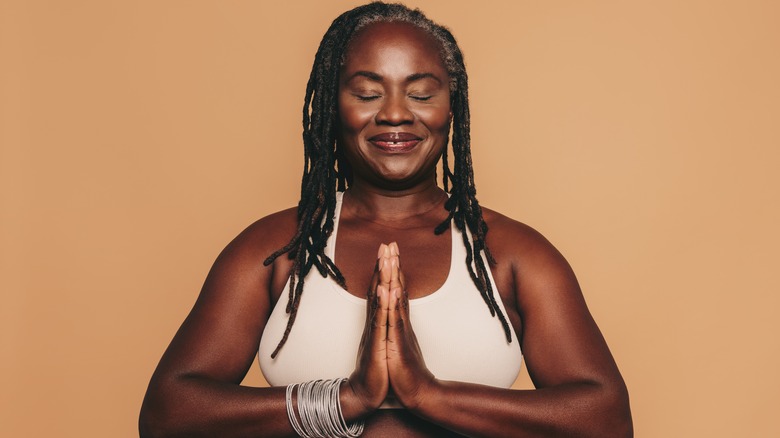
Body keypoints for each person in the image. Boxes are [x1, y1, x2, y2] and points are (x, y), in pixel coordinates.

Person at [139, 2, 632, 437]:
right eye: (367, 93)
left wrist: (426, 394)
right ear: (333, 107)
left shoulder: (511, 255)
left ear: (452, 108)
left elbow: (606, 420)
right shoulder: (277, 248)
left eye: (420, 93)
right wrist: (348, 399)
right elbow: (168, 415)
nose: (395, 114)